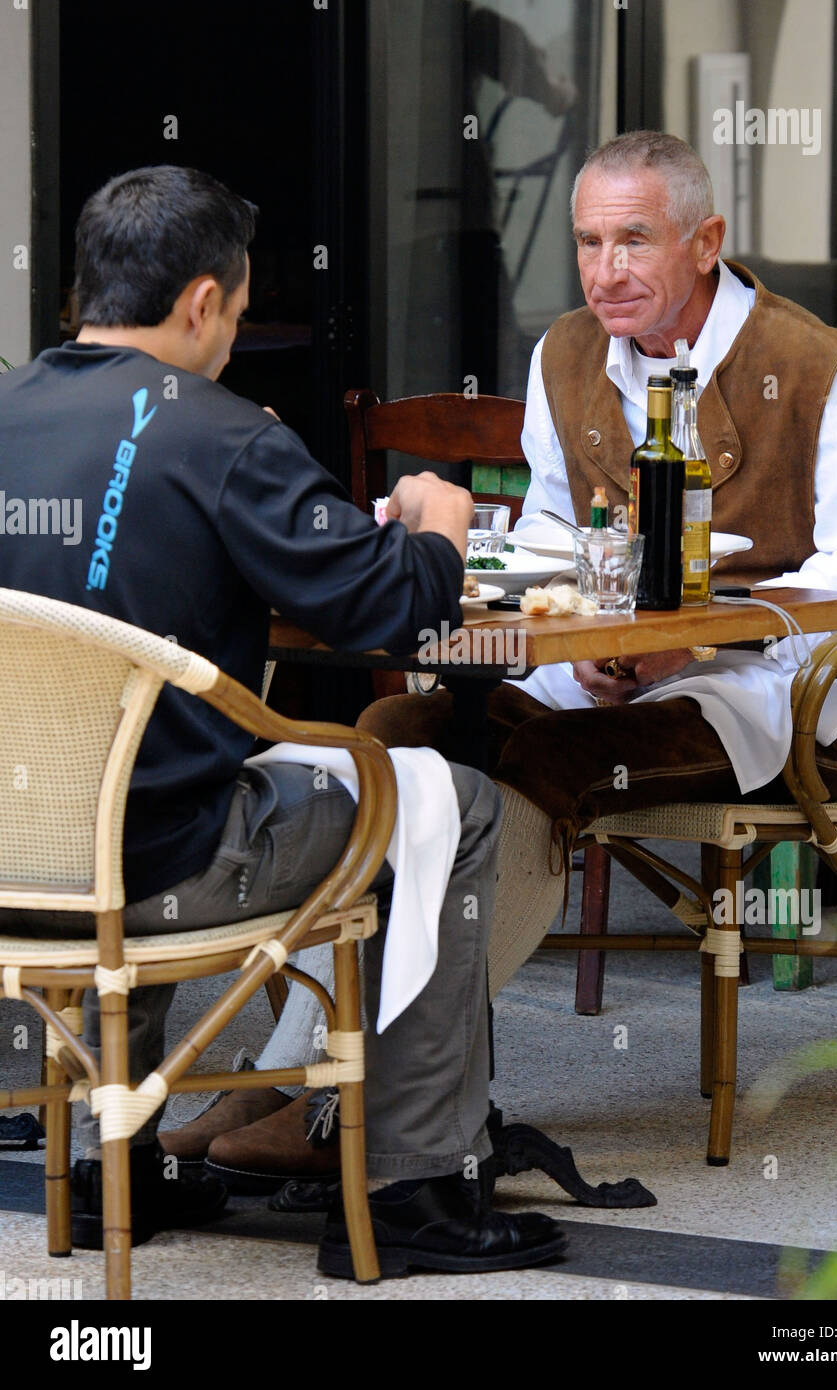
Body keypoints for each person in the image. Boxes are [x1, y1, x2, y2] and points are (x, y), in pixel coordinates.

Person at [0, 165, 565, 1279]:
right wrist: (440, 523)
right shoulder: (219, 436)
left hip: (20, 860)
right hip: (167, 857)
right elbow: (391, 605)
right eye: (241, 312)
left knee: (141, 770)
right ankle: (416, 1184)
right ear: (203, 302)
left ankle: (109, 1168)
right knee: (451, 802)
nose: (234, 337)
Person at [356, 130, 837, 994]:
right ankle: (318, 1062)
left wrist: (704, 641)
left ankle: (400, 1072)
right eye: (588, 243)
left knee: (540, 763)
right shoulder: (564, 353)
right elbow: (551, 524)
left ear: (705, 243)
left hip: (765, 693)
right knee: (399, 738)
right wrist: (586, 635)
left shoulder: (811, 366)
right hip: (596, 675)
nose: (604, 271)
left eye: (633, 239)